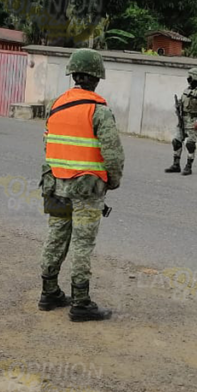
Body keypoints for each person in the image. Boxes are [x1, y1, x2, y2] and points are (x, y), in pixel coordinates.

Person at [38, 49, 124, 322]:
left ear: (73, 75)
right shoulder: (99, 110)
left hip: (55, 183)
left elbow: (47, 143)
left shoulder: (56, 104)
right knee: (82, 244)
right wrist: (113, 180)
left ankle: (49, 292)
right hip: (87, 188)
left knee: (56, 237)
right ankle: (81, 303)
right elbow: (113, 153)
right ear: (97, 78)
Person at [165, 67, 197, 176]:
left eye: (190, 76)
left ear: (195, 77)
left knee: (190, 144)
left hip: (193, 120)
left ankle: (188, 166)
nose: (188, 78)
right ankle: (176, 164)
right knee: (176, 141)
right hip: (182, 120)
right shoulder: (186, 90)